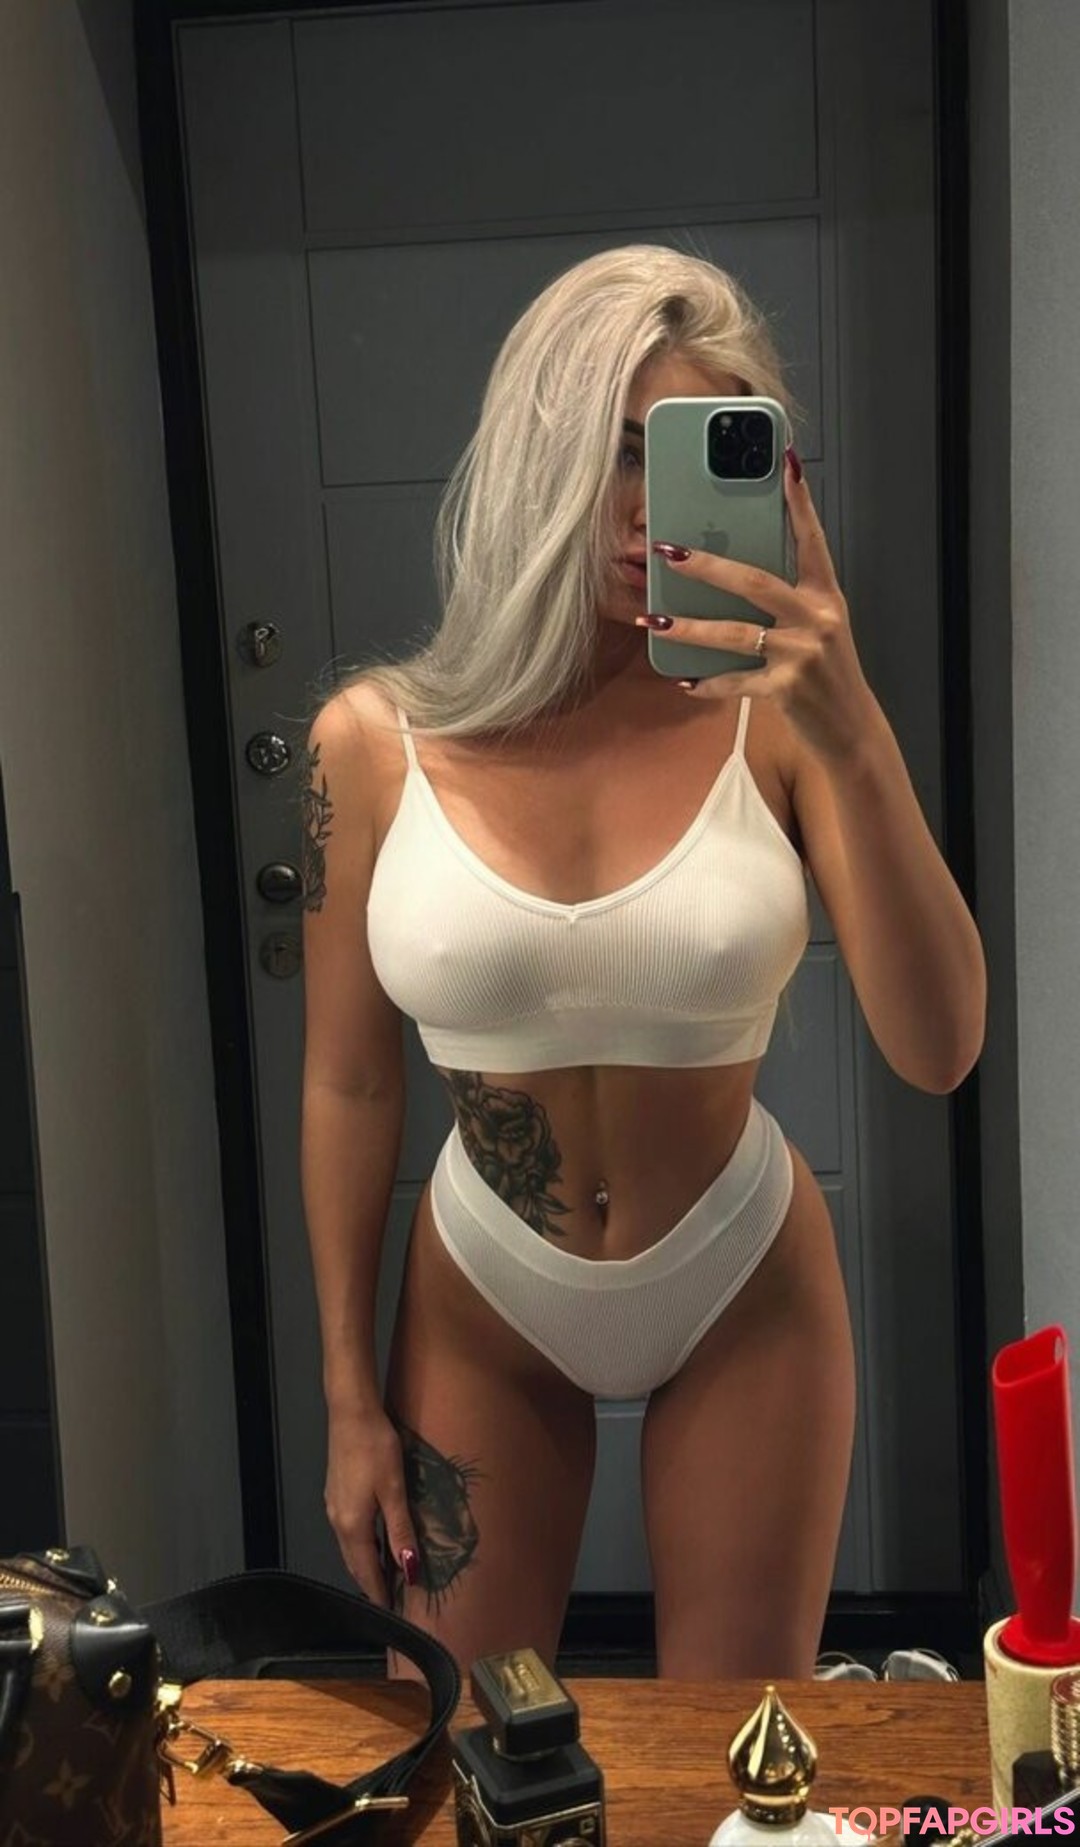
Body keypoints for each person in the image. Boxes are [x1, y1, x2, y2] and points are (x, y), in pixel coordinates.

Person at [298, 245, 985, 1679]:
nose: (645, 510)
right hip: (483, 1297)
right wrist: (348, 1400)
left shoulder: (783, 720)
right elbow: (351, 1085)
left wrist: (855, 726)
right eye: (618, 450)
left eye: (686, 456)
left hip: (743, 1279)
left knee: (742, 1763)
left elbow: (941, 1050)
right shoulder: (370, 745)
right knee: (470, 1748)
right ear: (536, 450)